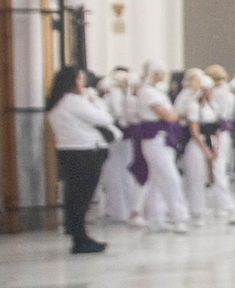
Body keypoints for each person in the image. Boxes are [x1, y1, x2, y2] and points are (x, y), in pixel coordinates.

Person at [47, 65, 118, 254]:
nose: (83, 83)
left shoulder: (57, 101)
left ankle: (79, 235)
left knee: (75, 196)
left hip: (69, 151)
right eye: (79, 79)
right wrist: (93, 100)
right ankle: (80, 238)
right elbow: (103, 118)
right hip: (84, 152)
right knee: (81, 197)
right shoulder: (72, 101)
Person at [128, 64, 190, 234]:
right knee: (171, 178)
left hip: (163, 138)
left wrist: (172, 113)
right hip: (154, 140)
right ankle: (179, 216)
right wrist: (172, 113)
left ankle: (157, 217)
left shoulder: (158, 92)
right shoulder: (147, 93)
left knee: (156, 180)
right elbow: (170, 115)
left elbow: (172, 114)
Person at [204, 64, 235, 225]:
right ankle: (227, 207)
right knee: (219, 170)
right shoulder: (224, 93)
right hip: (219, 134)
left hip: (218, 133)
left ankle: (220, 207)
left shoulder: (214, 93)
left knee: (217, 170)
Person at [98, 67, 134, 224]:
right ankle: (119, 210)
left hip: (123, 138)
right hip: (117, 139)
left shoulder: (124, 95)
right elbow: (119, 114)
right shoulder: (114, 96)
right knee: (116, 173)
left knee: (122, 172)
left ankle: (123, 209)